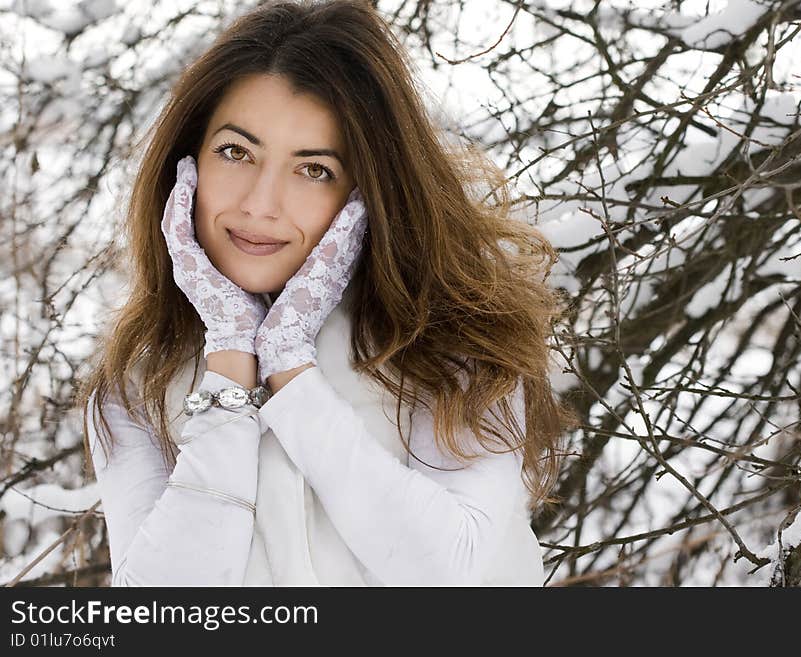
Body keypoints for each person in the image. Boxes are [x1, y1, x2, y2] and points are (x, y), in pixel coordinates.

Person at [76, 0, 579, 586]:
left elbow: (454, 575)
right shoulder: (138, 381)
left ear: (365, 193)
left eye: (313, 169)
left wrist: (292, 369)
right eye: (236, 153)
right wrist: (232, 368)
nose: (261, 204)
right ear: (186, 169)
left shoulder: (455, 349)